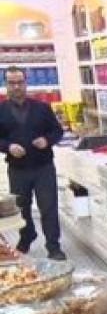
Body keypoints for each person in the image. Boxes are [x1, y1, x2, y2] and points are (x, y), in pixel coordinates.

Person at [0, 66, 65, 260]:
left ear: (26, 83)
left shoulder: (42, 108)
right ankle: (27, 236)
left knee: (49, 207)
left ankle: (53, 247)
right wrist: (8, 146)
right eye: (12, 83)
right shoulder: (1, 111)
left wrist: (47, 140)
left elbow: (57, 131)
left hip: (43, 167)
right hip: (17, 169)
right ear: (6, 85)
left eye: (20, 82)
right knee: (22, 207)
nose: (16, 86)